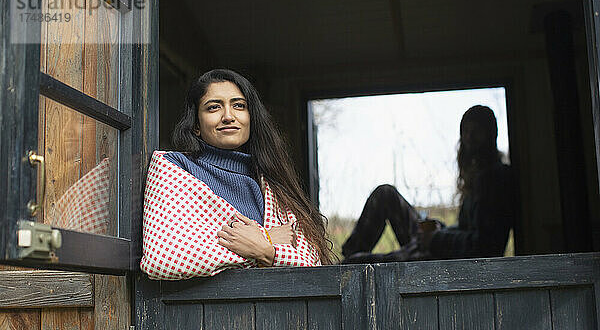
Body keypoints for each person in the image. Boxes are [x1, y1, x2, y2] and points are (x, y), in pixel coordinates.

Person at [140, 69, 332, 279]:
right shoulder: (175, 167)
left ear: (251, 118)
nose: (228, 116)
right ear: (196, 124)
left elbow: (312, 263)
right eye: (214, 107)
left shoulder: (271, 182)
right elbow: (163, 258)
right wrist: (266, 241)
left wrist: (264, 250)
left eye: (239, 106)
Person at [342, 105, 514, 263]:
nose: (469, 138)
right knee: (385, 194)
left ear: (490, 135)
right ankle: (346, 255)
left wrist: (436, 239)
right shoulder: (478, 177)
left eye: (476, 131)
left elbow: (485, 246)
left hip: (443, 261)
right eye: (466, 131)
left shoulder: (495, 178)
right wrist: (439, 230)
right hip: (437, 247)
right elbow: (465, 229)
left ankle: (344, 265)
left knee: (356, 263)